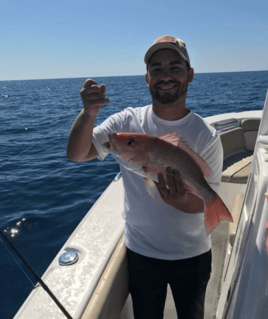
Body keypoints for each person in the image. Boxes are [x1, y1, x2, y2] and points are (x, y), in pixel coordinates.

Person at [67, 35, 224, 319]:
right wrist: (89, 113)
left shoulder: (206, 135)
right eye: (156, 69)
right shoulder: (126, 123)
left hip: (193, 254)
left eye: (175, 67)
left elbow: (206, 200)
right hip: (141, 253)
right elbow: (78, 154)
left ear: (189, 75)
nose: (165, 75)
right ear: (146, 78)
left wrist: (179, 200)